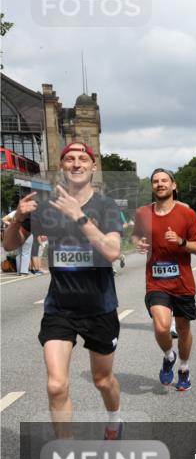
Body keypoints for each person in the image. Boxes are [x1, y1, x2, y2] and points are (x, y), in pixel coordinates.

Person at [2, 142, 124, 439]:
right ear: (63, 167)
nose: (77, 163)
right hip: (60, 308)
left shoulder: (106, 206)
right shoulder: (46, 207)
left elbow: (112, 252)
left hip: (100, 307)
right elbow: (9, 245)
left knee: (102, 379)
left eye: (83, 159)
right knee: (56, 385)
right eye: (70, 159)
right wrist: (18, 218)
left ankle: (114, 419)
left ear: (93, 167)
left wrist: (79, 216)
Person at [133, 169, 196, 391]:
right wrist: (139, 242)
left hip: (182, 282)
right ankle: (168, 355)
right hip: (156, 281)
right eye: (155, 181)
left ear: (174, 185)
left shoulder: (187, 214)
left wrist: (181, 241)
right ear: (152, 186)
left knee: (183, 330)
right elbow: (136, 234)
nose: (160, 184)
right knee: (162, 326)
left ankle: (183, 367)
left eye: (164, 180)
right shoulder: (143, 213)